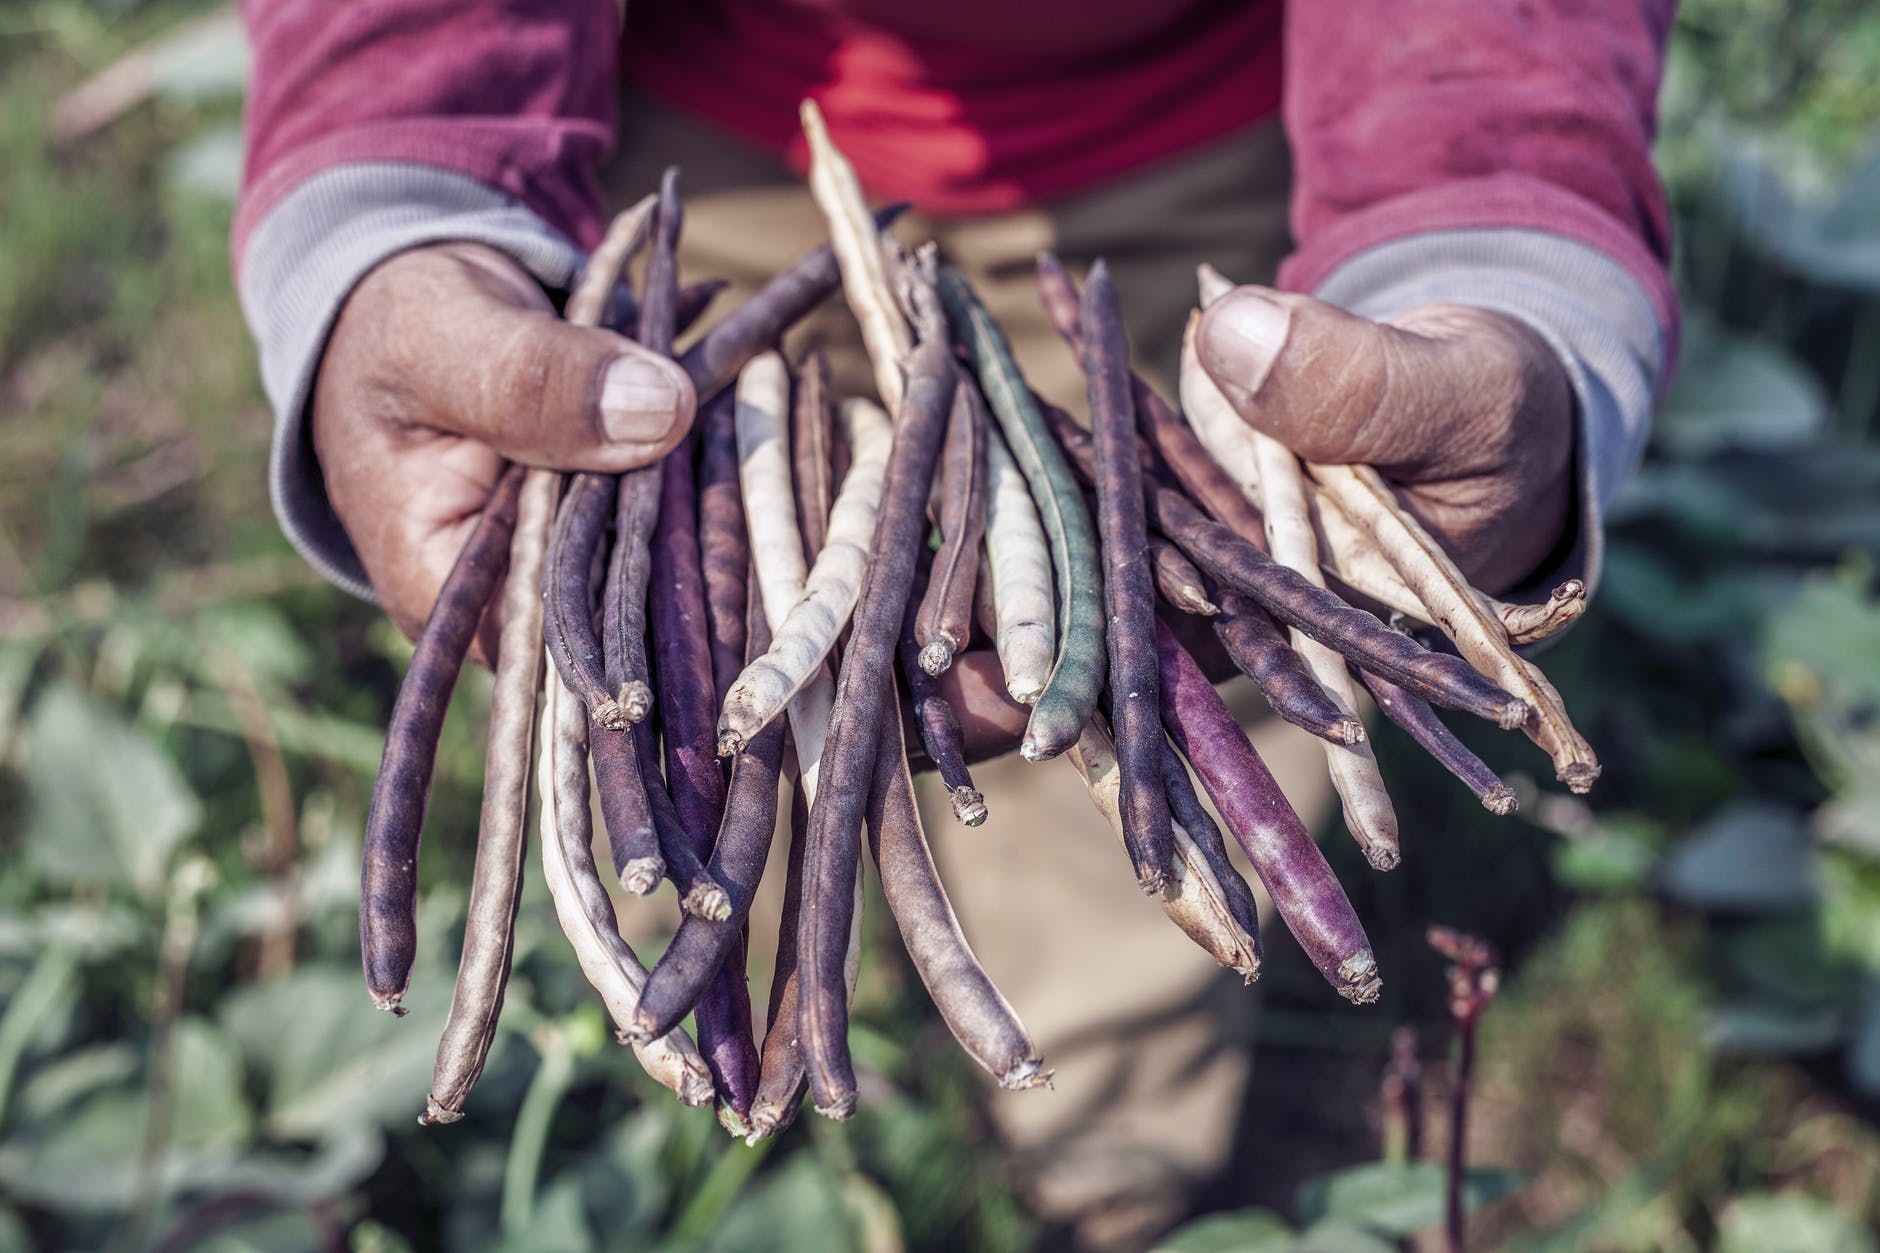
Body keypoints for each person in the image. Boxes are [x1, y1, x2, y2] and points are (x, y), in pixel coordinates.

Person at [233, 2, 1676, 1247]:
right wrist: (393, 200)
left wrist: (1489, 228)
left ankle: (1115, 1171)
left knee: (1150, 709)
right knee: (693, 746)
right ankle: (736, 1123)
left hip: (1207, 138)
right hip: (667, 115)